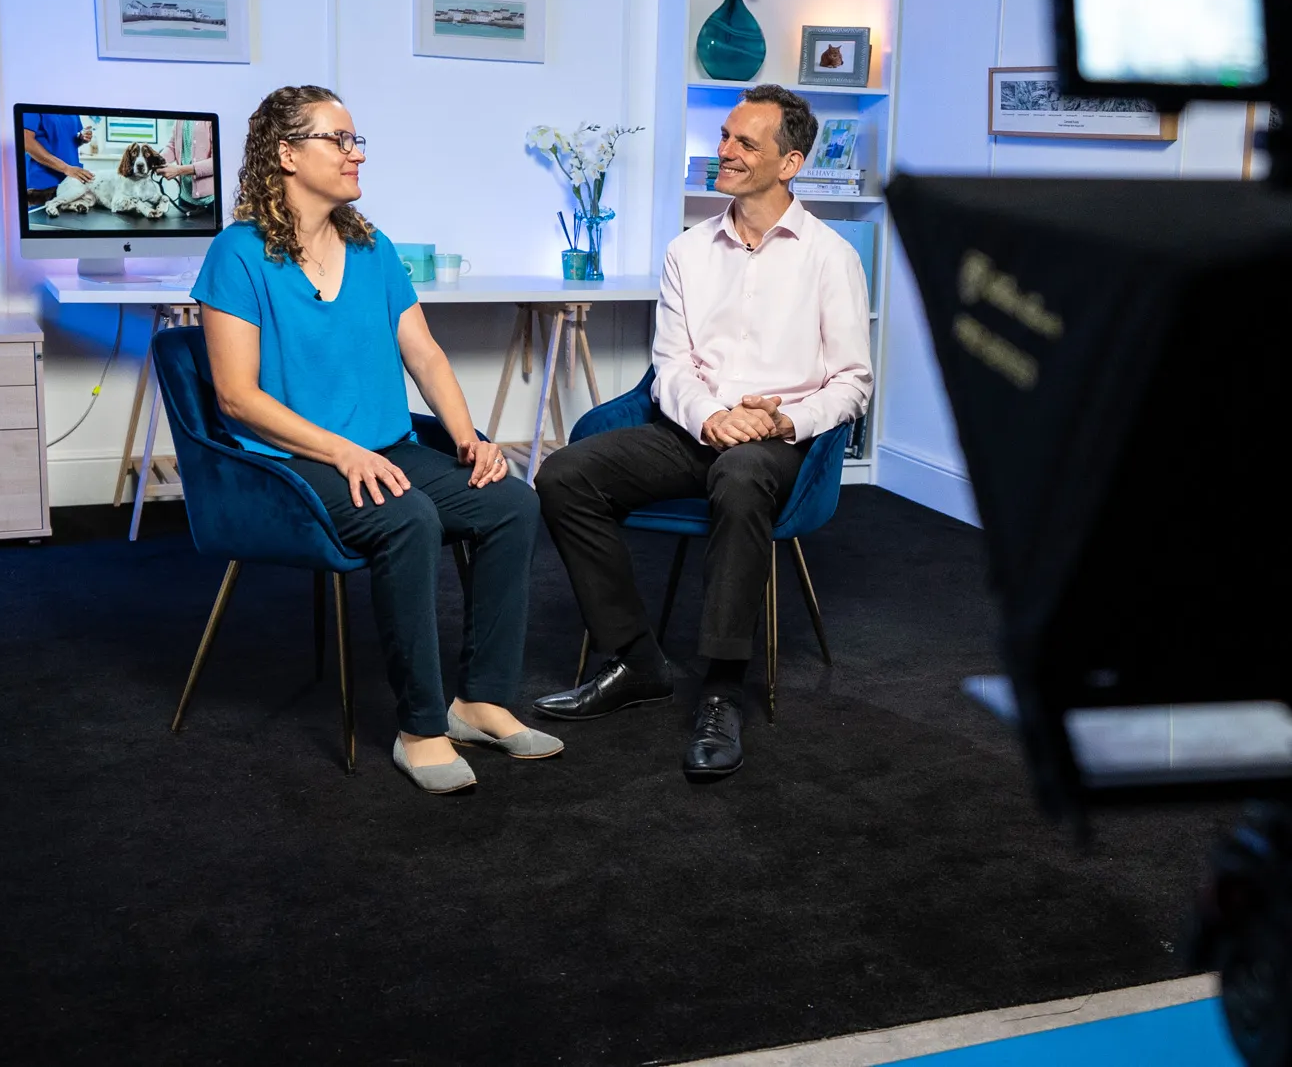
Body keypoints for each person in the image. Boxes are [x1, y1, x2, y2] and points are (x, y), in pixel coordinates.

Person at [191, 85, 555, 795]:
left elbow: (424, 354)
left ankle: (479, 701)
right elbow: (237, 396)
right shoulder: (237, 255)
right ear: (287, 154)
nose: (356, 153)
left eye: (357, 140)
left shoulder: (371, 245)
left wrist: (469, 438)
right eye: (340, 140)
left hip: (385, 447)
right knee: (408, 516)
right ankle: (420, 728)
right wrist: (339, 451)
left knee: (511, 502)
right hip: (290, 466)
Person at [532, 84, 872, 779]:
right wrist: (712, 417)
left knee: (743, 477)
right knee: (564, 474)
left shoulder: (830, 256)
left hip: (780, 443)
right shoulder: (688, 251)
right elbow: (670, 366)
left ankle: (721, 687)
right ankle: (636, 661)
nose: (725, 151)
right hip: (694, 428)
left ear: (791, 163)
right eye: (725, 136)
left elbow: (853, 381)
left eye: (746, 143)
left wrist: (784, 420)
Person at [23, 113, 94, 210]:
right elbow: (26, 142)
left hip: (71, 180)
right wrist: (66, 168)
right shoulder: (34, 105)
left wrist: (81, 138)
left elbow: (68, 140)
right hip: (44, 182)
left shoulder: (71, 108)